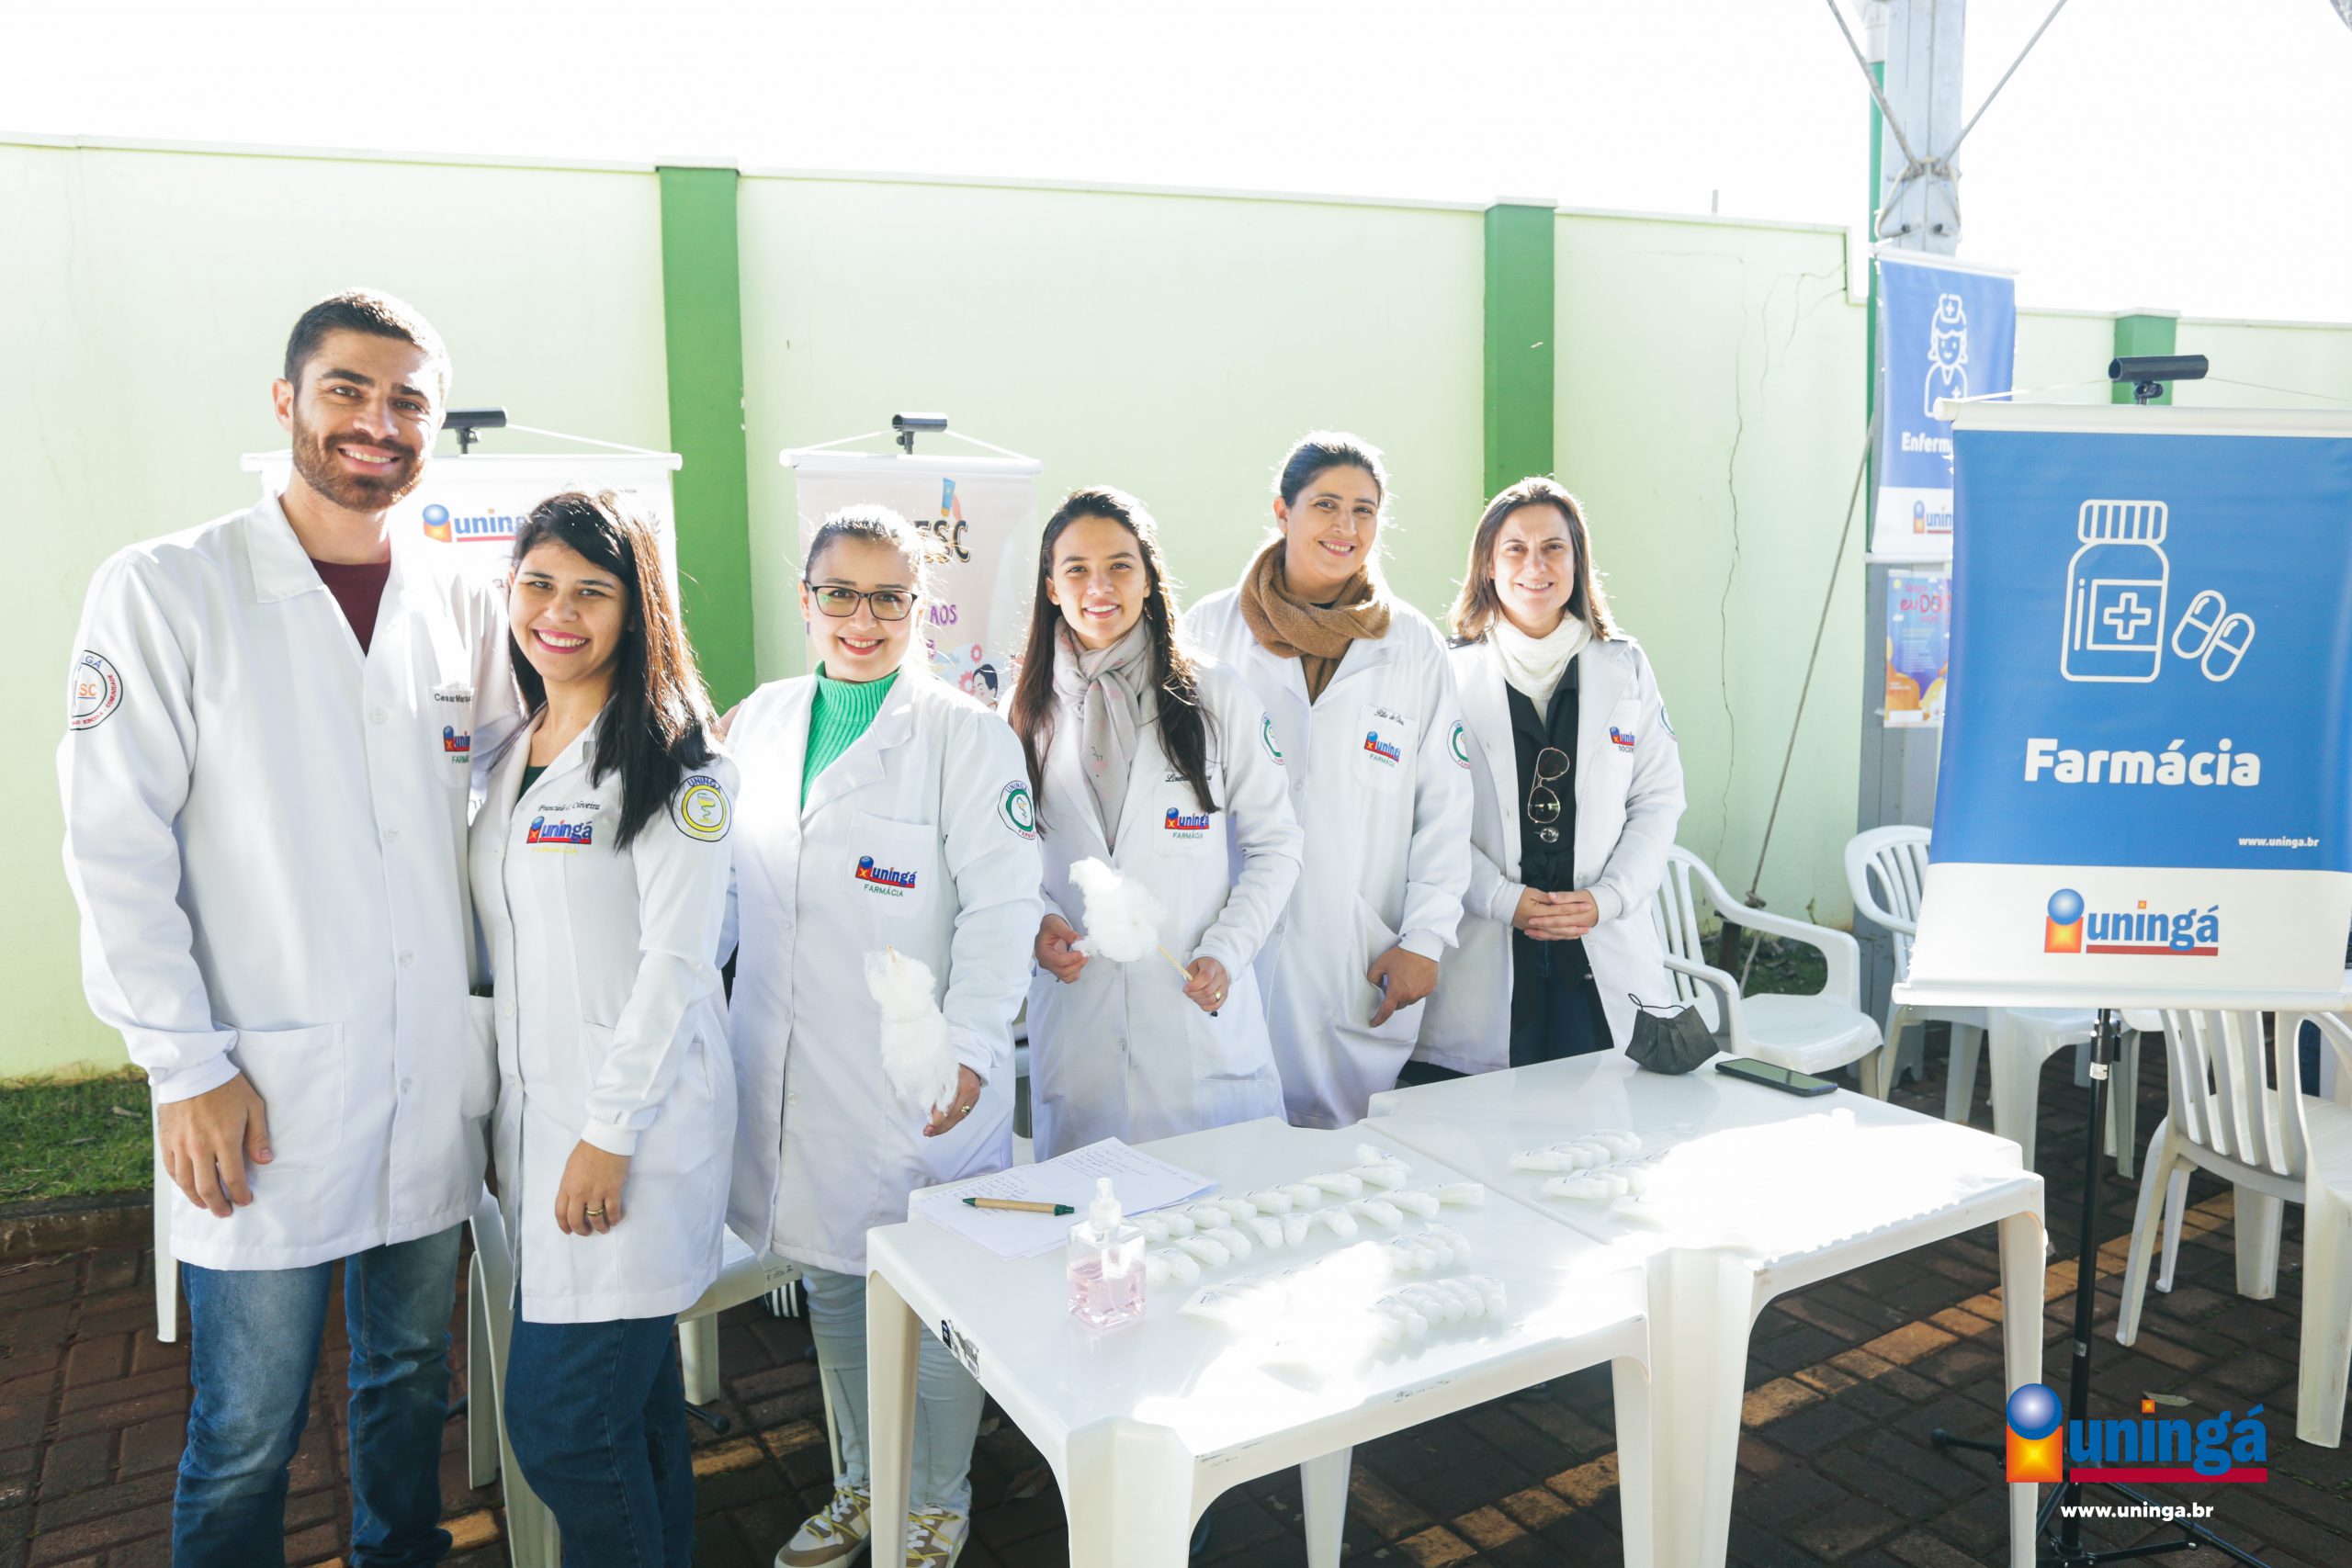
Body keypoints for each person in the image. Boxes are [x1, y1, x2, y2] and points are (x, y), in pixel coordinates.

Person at [57, 290, 516, 1567]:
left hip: (425, 1076)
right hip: (254, 1087)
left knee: (410, 1378)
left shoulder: (460, 601)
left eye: (408, 400)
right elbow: (114, 845)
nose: (378, 422)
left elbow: (517, 781)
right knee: (247, 1429)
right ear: (287, 401)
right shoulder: (169, 588)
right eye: (347, 390)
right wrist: (183, 1065)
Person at [722, 506, 1041, 1568]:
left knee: (936, 1293)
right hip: (794, 1072)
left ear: (919, 605)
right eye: (841, 595)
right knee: (829, 1277)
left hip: (922, 1081)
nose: (863, 621)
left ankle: (937, 1497)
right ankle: (863, 1482)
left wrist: (974, 1048)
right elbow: (728, 893)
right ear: (805, 598)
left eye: (889, 598)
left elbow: (1003, 907)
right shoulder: (760, 723)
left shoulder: (964, 736)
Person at [471, 491, 735, 1567]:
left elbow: (678, 967)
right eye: (539, 584)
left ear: (637, 611)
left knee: (566, 1428)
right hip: (539, 1130)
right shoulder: (508, 749)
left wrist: (608, 1134)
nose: (559, 612)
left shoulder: (677, 763)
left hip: (630, 1140)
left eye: (592, 591)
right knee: (634, 1414)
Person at [1184, 433, 1473, 1128]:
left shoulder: (1411, 645)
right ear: (1282, 512)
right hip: (1228, 936)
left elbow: (1446, 805)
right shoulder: (1209, 631)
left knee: (1345, 1164)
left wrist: (1426, 938)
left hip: (1353, 949)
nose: (1346, 527)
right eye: (1326, 505)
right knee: (1229, 1148)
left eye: (1364, 511)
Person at [1009, 486, 1303, 1157]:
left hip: (1194, 1029)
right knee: (1091, 1217)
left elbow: (1277, 845)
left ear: (1148, 578)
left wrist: (1227, 950)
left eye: (1120, 565)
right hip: (1081, 1038)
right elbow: (1004, 860)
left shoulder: (1215, 695)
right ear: (1051, 587)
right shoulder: (1020, 712)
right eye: (1076, 569)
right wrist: (1038, 920)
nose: (1099, 587)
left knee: (1220, 1210)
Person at [1416, 477, 1686, 1075]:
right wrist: (1498, 897)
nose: (1535, 566)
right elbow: (1428, 814)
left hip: (1600, 944)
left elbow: (1659, 800)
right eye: (1515, 548)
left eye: (1553, 547)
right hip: (1487, 944)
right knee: (1490, 1121)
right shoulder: (1447, 674)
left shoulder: (1625, 666)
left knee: (1608, 1116)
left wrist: (1609, 898)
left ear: (1577, 560)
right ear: (1488, 565)